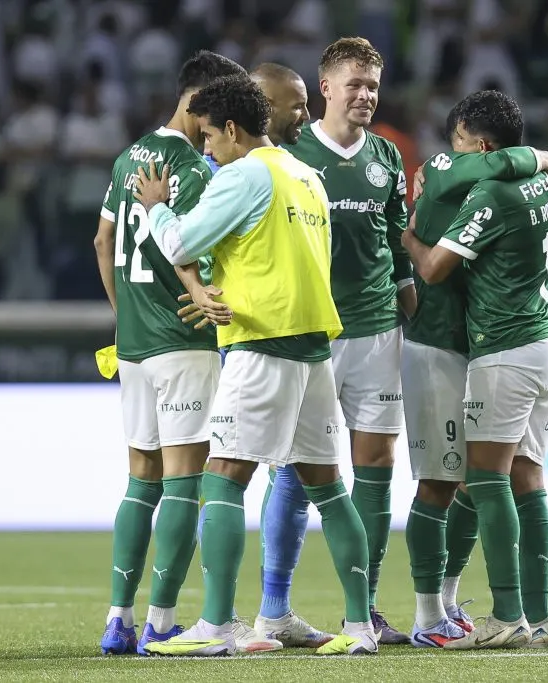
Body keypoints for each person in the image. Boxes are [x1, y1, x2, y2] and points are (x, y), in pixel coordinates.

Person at [135, 75, 378, 657]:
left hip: (263, 341)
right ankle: (360, 627)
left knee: (222, 477)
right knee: (329, 487)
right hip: (313, 347)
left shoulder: (244, 175)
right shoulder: (305, 174)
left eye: (209, 138)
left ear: (232, 129)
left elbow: (180, 244)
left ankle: (216, 626)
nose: (207, 149)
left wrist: (156, 209)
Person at [92, 51, 280, 656]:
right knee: (183, 481)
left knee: (138, 479)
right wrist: (201, 290)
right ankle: (161, 621)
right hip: (184, 341)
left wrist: (125, 316)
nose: (219, 122)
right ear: (198, 102)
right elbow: (192, 246)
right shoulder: (192, 169)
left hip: (133, 346)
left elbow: (102, 240)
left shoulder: (128, 158)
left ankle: (118, 619)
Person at [402, 90, 548, 650]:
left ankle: (507, 615)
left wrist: (408, 237)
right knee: (528, 477)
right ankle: (540, 619)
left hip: (505, 347)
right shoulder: (543, 180)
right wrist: (539, 156)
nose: (456, 154)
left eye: (461, 143)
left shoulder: (491, 195)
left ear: (483, 145)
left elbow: (434, 267)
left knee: (486, 480)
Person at [267, 35, 414, 645]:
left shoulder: (387, 156)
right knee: (297, 471)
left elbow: (397, 245)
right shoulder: (290, 152)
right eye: (354, 84)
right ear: (325, 88)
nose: (365, 96)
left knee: (376, 464)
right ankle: (275, 608)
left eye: (373, 86)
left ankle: (366, 605)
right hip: (313, 333)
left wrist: (410, 308)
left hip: (379, 331)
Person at [242, 63, 336, 648]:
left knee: (295, 474)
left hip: (300, 334)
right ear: (261, 105)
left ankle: (272, 611)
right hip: (250, 338)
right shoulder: (232, 168)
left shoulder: (296, 168)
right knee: (225, 472)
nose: (304, 114)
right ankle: (209, 617)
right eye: (294, 104)